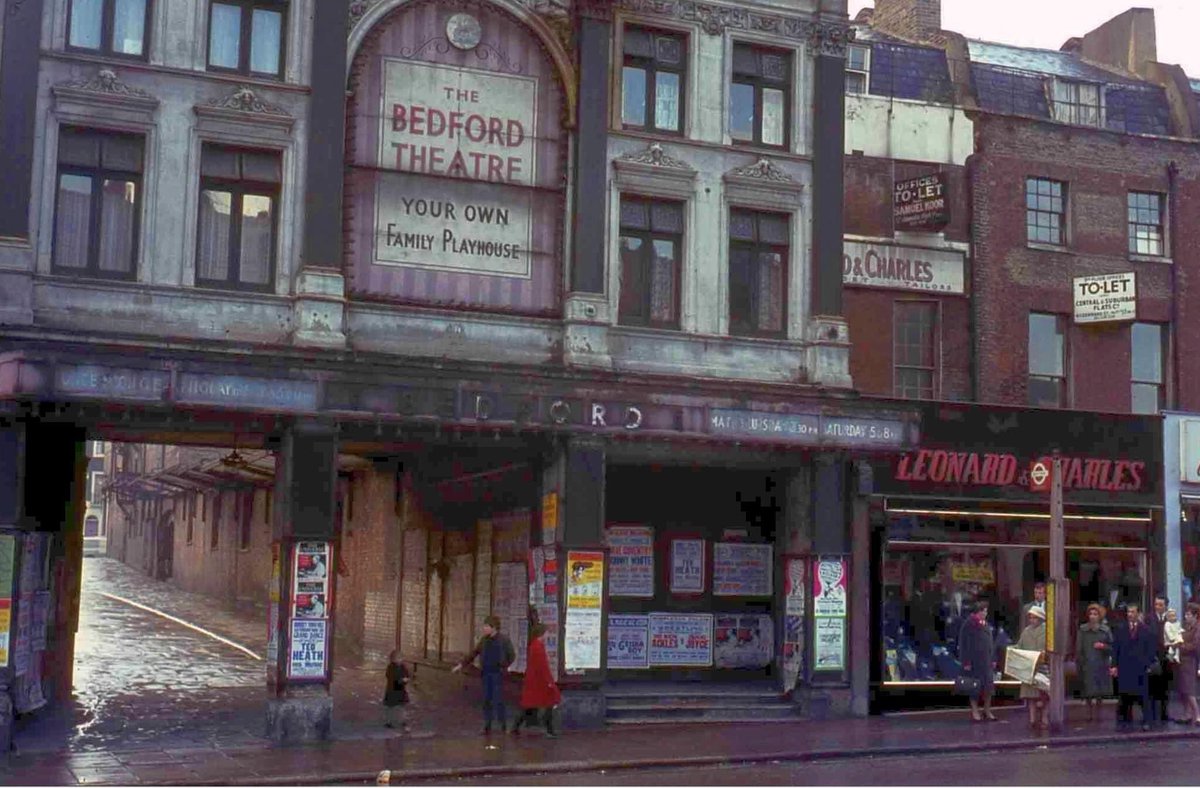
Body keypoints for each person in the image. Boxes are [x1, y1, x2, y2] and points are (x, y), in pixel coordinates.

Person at [452, 615, 516, 734]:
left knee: (498, 699)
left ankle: (502, 724)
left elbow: (511, 655)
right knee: (486, 699)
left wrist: (503, 666)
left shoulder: (503, 640)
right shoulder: (484, 640)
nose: (484, 629)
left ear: (494, 627)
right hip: (486, 673)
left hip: (498, 673)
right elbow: (474, 653)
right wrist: (461, 665)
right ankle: (487, 725)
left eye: (486, 626)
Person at [1111, 602, 1158, 731]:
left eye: (1132, 612)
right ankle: (1124, 721)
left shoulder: (1146, 630)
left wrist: (1148, 664)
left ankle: (1147, 720)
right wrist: (1114, 665)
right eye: (1128, 612)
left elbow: (1151, 649)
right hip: (1125, 666)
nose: (1130, 614)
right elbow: (1115, 648)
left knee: (1143, 695)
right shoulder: (1121, 629)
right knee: (1124, 695)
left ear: (1138, 613)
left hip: (1140, 667)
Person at [511, 623, 561, 737]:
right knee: (549, 702)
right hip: (539, 682)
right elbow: (542, 666)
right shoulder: (538, 647)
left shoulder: (535, 645)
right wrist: (549, 682)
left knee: (529, 704)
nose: (547, 635)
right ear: (542, 633)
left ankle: (516, 726)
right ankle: (549, 728)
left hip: (535, 681)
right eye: (546, 633)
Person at [958, 603, 996, 722]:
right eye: (983, 611)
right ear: (978, 612)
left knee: (988, 687)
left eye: (986, 611)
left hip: (987, 661)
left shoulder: (986, 624)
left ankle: (987, 710)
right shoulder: (969, 624)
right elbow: (963, 644)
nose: (985, 613)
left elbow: (991, 643)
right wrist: (966, 662)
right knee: (974, 688)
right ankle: (975, 711)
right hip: (974, 661)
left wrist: (993, 659)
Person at [1075, 603, 1113, 721]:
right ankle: (1089, 713)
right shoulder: (1083, 629)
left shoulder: (1105, 630)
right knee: (1088, 690)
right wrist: (1080, 661)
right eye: (1090, 614)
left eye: (1095, 614)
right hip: (1087, 663)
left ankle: (1099, 713)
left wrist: (1103, 646)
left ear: (1099, 616)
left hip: (1101, 663)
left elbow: (1112, 646)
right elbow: (1079, 647)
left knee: (1100, 691)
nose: (1092, 616)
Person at [1016, 606, 1049, 729]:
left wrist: (1046, 654)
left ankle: (1044, 718)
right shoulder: (1026, 631)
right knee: (1031, 696)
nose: (1032, 620)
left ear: (1040, 618)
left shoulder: (1047, 631)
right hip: (1029, 666)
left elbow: (1052, 647)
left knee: (1045, 694)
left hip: (1043, 666)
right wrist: (1013, 650)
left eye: (1035, 617)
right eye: (1030, 617)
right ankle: (1032, 719)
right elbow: (1020, 645)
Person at [1173, 603, 1200, 726]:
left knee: (1189, 690)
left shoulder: (1197, 628)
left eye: (1189, 614)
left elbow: (1195, 645)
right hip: (1182, 661)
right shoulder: (1186, 627)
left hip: (1190, 661)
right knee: (1183, 689)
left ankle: (1197, 714)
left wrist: (1181, 645)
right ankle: (1187, 714)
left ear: (1195, 616)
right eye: (1186, 614)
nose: (1186, 617)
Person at [1146, 595, 1172, 726]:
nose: (1158, 607)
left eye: (1161, 605)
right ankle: (1151, 713)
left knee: (1165, 685)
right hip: (1153, 656)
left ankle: (1164, 712)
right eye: (1156, 604)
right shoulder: (1149, 619)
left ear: (1166, 606)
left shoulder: (1170, 619)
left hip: (1167, 657)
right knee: (1152, 684)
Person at [382, 650, 411, 732]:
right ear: (392, 659)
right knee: (390, 707)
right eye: (397, 658)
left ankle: (402, 721)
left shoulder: (403, 667)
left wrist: (406, 679)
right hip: (392, 690)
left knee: (401, 707)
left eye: (400, 658)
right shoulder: (390, 667)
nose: (399, 660)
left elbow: (407, 675)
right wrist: (401, 680)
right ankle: (389, 722)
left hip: (400, 691)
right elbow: (390, 677)